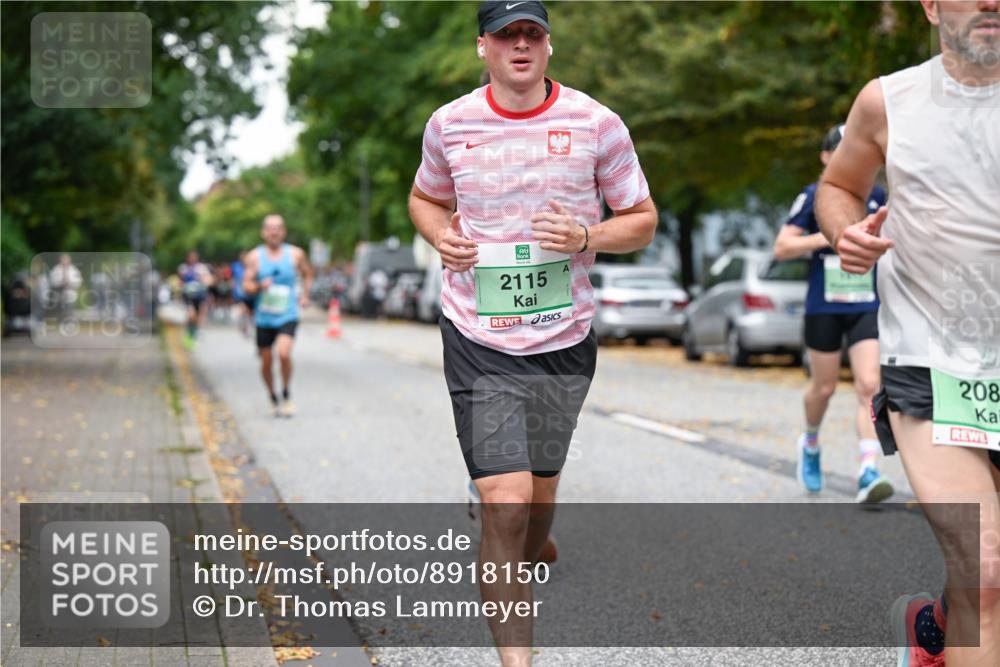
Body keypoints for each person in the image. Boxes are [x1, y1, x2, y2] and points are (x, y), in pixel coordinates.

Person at [408, 2, 656, 664]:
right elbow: (425, 197)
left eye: (533, 34)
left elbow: (642, 217)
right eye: (507, 34)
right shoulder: (450, 125)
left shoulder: (595, 124)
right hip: (477, 334)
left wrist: (586, 235)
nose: (521, 44)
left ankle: (527, 539)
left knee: (539, 497)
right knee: (507, 502)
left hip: (564, 338)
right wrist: (442, 235)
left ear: (548, 46)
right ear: (482, 46)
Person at [815, 1, 999, 664]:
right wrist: (845, 230)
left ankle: (937, 627)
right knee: (986, 565)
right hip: (931, 359)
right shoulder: (887, 101)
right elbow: (840, 185)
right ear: (930, 5)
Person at [773, 124, 895, 503]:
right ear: (827, 158)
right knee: (824, 388)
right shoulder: (812, 198)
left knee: (869, 385)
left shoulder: (878, 199)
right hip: (823, 306)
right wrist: (833, 235)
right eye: (840, 152)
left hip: (866, 305)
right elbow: (782, 248)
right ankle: (810, 442)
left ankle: (868, 470)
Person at [242, 215, 313, 418]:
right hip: (264, 316)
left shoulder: (296, 254)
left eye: (278, 228)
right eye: (270, 228)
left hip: (287, 313)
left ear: (284, 232)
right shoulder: (254, 257)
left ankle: (286, 393)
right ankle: (272, 396)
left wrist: (305, 295)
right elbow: (245, 285)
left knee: (283, 353)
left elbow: (308, 273)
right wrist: (258, 286)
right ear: (263, 232)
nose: (274, 232)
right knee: (266, 361)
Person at [177, 250, 213, 348]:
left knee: (200, 315)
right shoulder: (183, 268)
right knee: (191, 315)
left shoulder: (201, 268)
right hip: (188, 296)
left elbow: (209, 280)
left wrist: (203, 282)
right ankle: (189, 333)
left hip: (200, 295)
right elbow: (180, 282)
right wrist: (184, 286)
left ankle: (195, 332)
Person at [231, 251, 254, 338]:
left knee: (250, 312)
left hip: (251, 294)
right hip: (240, 293)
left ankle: (248, 326)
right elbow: (233, 279)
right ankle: (243, 325)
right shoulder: (236, 266)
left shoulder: (252, 266)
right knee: (243, 309)